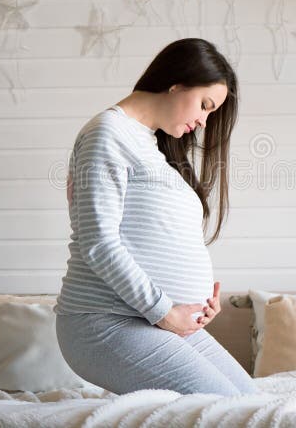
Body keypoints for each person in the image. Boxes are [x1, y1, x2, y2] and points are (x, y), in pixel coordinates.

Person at [54, 38, 257, 396]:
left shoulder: (150, 144)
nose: (204, 121)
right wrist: (164, 310)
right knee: (228, 407)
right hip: (104, 321)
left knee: (251, 401)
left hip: (152, 319)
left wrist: (194, 304)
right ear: (176, 83)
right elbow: (98, 242)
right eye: (205, 105)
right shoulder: (108, 133)